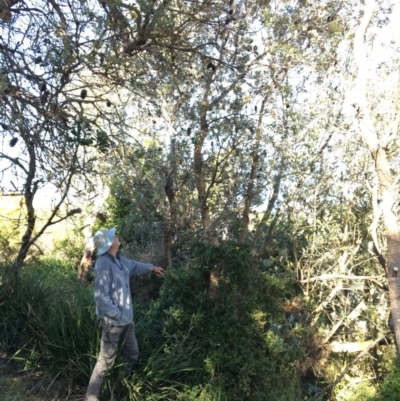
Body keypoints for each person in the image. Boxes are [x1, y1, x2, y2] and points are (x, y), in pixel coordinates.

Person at [84, 227, 165, 401]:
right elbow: (100, 297)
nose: (117, 236)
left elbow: (136, 266)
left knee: (132, 354)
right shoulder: (103, 263)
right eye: (114, 236)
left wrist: (152, 268)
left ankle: (117, 387)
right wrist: (117, 315)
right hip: (113, 323)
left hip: (127, 321)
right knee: (104, 363)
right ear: (109, 243)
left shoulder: (120, 259)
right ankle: (90, 398)